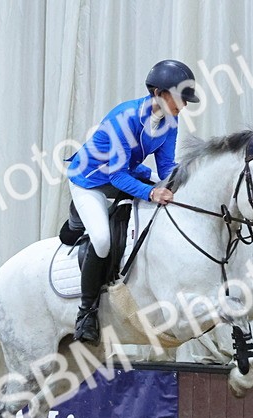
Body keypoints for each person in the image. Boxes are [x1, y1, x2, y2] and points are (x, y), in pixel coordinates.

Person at [63, 59, 200, 344]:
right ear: (159, 93)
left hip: (125, 174)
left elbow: (166, 167)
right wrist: (151, 193)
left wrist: (186, 183)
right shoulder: (124, 119)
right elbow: (116, 177)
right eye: (180, 98)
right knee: (102, 240)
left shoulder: (171, 121)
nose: (184, 105)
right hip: (90, 180)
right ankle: (86, 313)